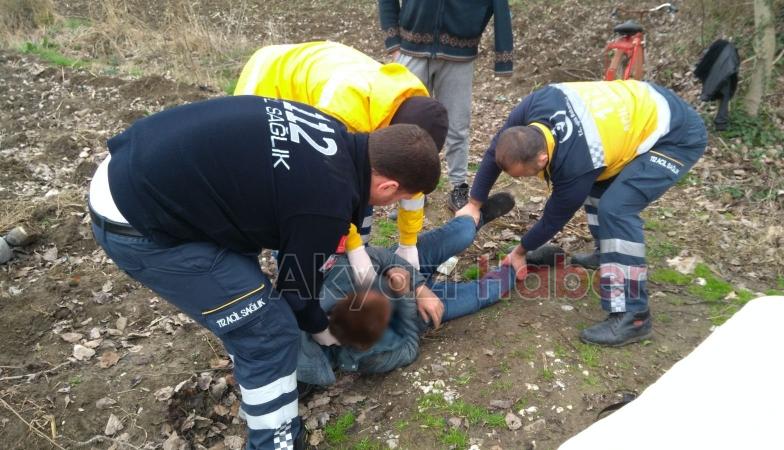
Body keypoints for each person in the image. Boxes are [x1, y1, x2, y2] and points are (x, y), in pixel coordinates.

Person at [88, 95, 440, 449]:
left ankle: (262, 376)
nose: (388, 206)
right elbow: (296, 296)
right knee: (269, 332)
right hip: (138, 220)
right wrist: (324, 333)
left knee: (254, 307)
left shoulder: (331, 130)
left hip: (134, 167)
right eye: (396, 201)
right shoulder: (328, 201)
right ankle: (277, 441)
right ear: (389, 187)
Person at [457, 80, 707, 347]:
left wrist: (520, 252)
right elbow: (495, 152)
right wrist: (474, 203)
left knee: (617, 209)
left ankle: (634, 316)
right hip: (635, 113)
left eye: (525, 175)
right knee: (600, 185)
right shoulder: (532, 107)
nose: (523, 180)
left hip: (676, 135)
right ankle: (608, 255)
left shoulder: (577, 163)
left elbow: (554, 217)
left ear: (542, 160)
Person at [234, 40, 449, 305]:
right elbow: (327, 187)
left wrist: (408, 241)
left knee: (363, 191)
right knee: (294, 203)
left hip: (325, 76)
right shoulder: (343, 114)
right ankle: (290, 280)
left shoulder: (417, 107)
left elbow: (409, 182)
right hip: (269, 84)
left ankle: (343, 264)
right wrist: (355, 249)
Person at [294, 192, 517, 386]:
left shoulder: (327, 284)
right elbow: (409, 349)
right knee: (484, 295)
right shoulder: (366, 357)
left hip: (402, 266)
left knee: (462, 234)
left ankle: (474, 219)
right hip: (419, 312)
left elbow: (378, 256)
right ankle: (518, 266)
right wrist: (407, 298)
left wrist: (415, 283)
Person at [378, 0, 514, 212]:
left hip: (459, 55)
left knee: (458, 125)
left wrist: (503, 55)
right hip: (410, 49)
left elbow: (500, 5)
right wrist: (393, 42)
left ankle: (458, 186)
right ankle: (410, 189)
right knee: (405, 126)